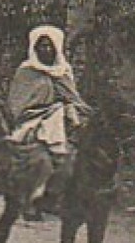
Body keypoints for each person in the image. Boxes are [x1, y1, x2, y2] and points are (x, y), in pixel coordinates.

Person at [7, 24, 90, 211]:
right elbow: (18, 104)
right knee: (40, 161)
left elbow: (73, 98)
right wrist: (43, 112)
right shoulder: (26, 71)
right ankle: (30, 199)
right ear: (34, 48)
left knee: (70, 161)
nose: (46, 50)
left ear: (57, 47)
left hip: (61, 124)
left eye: (49, 46)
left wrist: (73, 112)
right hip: (32, 123)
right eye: (41, 46)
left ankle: (54, 199)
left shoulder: (64, 71)